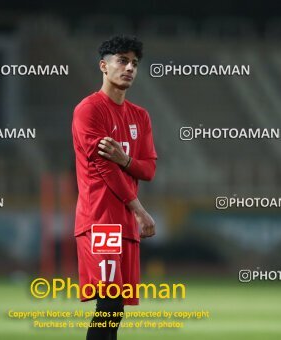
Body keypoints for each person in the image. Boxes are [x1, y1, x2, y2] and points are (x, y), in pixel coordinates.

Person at [72, 35, 158, 340]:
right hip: (101, 220)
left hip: (124, 224)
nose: (130, 67)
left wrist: (125, 158)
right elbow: (103, 167)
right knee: (108, 303)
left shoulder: (140, 116)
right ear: (103, 66)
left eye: (134, 63)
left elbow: (148, 169)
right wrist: (139, 209)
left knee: (115, 307)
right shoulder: (88, 110)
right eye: (122, 60)